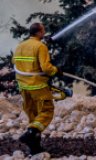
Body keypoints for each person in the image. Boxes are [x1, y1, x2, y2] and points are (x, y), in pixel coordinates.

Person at [13, 22, 59, 154]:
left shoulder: (20, 46)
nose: (44, 33)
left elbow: (15, 62)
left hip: (23, 86)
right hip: (37, 85)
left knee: (33, 116)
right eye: (43, 31)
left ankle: (34, 148)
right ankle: (31, 133)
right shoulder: (40, 46)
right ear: (39, 32)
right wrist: (56, 70)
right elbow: (46, 68)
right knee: (46, 111)